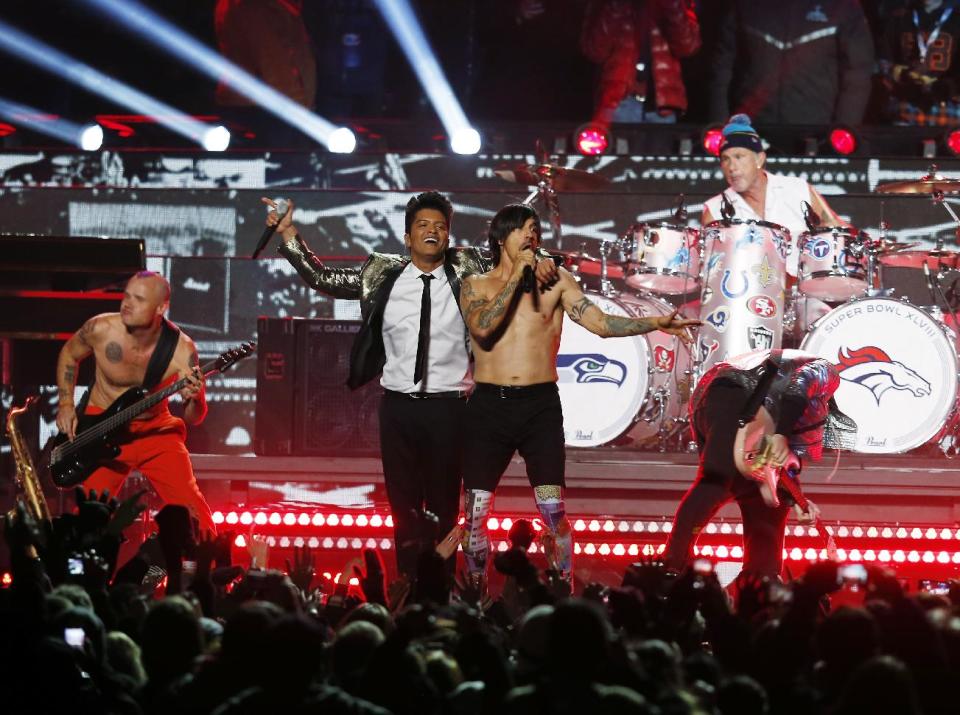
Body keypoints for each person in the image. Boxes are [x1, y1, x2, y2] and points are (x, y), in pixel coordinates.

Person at [266, 192, 559, 580]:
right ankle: (407, 590)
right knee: (403, 510)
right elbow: (326, 278)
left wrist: (543, 261)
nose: (432, 232)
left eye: (440, 226)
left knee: (442, 507)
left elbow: (515, 255)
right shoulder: (381, 273)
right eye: (423, 226)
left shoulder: (469, 269)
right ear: (407, 237)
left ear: (449, 236)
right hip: (398, 408)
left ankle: (440, 593)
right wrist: (288, 234)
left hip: (450, 409)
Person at [458, 203, 698, 586]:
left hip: (539, 407)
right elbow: (483, 328)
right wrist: (517, 276)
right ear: (501, 238)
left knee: (552, 509)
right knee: (473, 516)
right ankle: (475, 594)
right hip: (489, 406)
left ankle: (562, 590)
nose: (532, 237)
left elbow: (600, 323)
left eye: (536, 230)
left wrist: (656, 322)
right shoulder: (475, 285)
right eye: (523, 230)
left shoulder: (558, 281)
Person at [662, 348, 857, 579]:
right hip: (735, 393)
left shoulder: (786, 422)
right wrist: (780, 434)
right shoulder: (826, 374)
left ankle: (760, 580)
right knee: (719, 479)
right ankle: (671, 567)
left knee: (765, 502)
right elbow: (799, 388)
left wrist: (796, 501)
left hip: (720, 404)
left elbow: (784, 469)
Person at [55, 271, 215, 534]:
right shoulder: (101, 328)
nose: (126, 304)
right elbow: (69, 354)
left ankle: (209, 570)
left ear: (161, 308)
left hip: (155, 430)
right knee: (89, 518)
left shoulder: (182, 350)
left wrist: (196, 397)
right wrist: (66, 405)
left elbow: (194, 416)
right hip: (102, 428)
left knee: (193, 511)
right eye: (126, 295)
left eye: (138, 299)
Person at [702, 113, 849, 281]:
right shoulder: (714, 210)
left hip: (804, 293)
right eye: (725, 159)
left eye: (739, 157)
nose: (732, 167)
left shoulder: (798, 189)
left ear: (759, 159)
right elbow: (711, 272)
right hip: (743, 298)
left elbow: (836, 229)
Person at [708, 0, 874, 125]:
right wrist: (721, 125)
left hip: (817, 134)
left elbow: (857, 74)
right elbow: (721, 68)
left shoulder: (842, 6)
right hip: (751, 130)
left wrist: (843, 130)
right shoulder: (744, 5)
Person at [580, 0, 701, 125]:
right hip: (619, 103)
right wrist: (615, 6)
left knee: (660, 144)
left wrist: (672, 6)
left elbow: (688, 47)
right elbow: (594, 51)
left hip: (662, 105)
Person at [877, 0, 960, 126]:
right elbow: (884, 61)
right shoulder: (900, 18)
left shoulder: (956, 19)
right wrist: (902, 75)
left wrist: (948, 87)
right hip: (906, 107)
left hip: (949, 109)